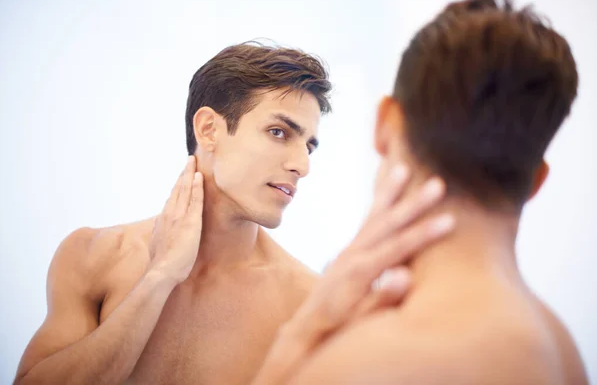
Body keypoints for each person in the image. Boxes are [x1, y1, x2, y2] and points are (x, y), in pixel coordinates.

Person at [14, 43, 451, 385]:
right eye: (279, 133)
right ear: (208, 130)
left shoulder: (304, 302)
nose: (303, 164)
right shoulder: (93, 255)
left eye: (310, 145)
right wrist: (160, 277)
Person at [253, 0, 590, 385]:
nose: (301, 164)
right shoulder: (564, 351)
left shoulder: (366, 362)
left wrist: (298, 339)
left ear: (386, 125)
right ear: (536, 181)